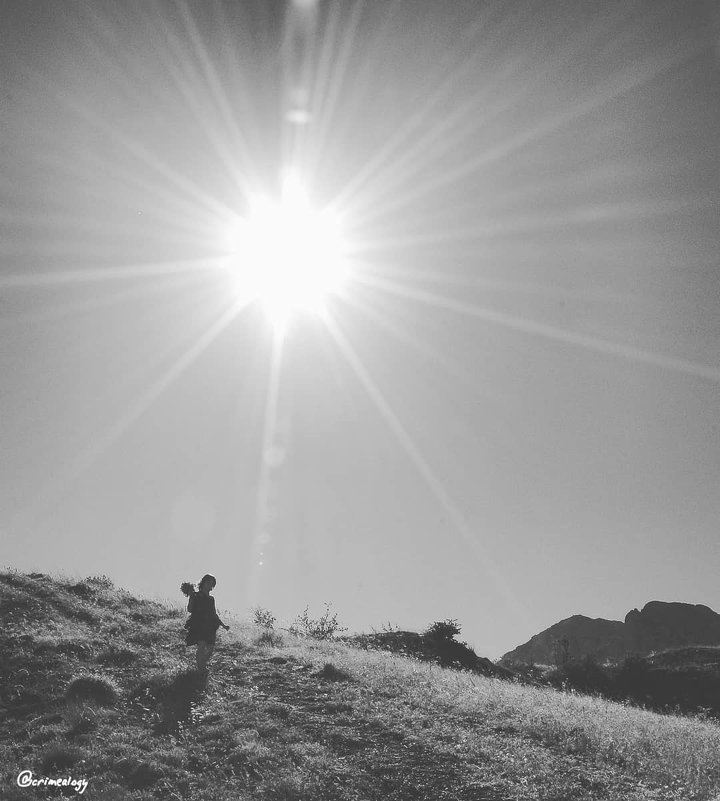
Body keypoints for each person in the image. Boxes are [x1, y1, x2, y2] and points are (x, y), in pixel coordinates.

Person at [183, 574, 229, 672]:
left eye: (212, 584)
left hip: (210, 626)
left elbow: (214, 613)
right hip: (198, 624)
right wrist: (191, 597)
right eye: (208, 583)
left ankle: (201, 664)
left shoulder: (211, 599)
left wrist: (223, 625)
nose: (210, 586)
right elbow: (190, 609)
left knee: (211, 648)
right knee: (202, 644)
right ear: (203, 583)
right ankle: (201, 669)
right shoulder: (195, 595)